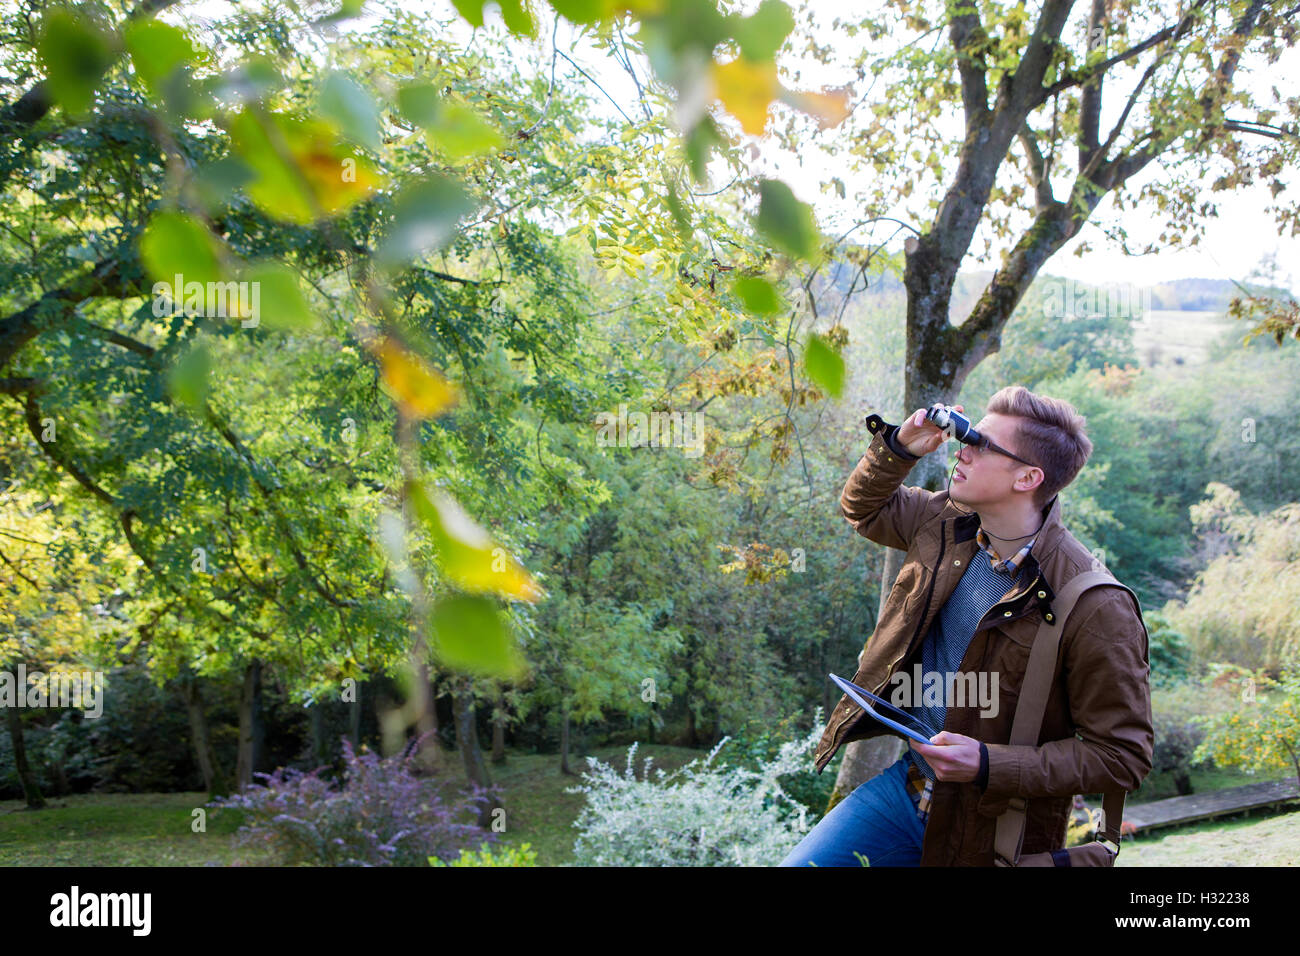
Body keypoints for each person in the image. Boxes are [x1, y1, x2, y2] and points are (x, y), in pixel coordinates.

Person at [780, 385, 1153, 866]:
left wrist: (986, 763)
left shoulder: (1095, 604)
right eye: (968, 436)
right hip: (908, 787)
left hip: (995, 828)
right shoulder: (945, 523)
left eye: (981, 443)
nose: (964, 448)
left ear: (1028, 477)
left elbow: (1123, 756)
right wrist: (898, 446)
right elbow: (863, 508)